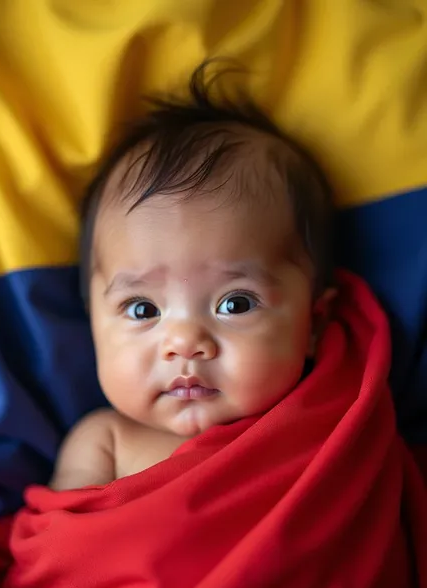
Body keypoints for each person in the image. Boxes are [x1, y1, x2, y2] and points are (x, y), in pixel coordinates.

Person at [50, 62, 337, 491]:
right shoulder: (104, 442)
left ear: (313, 322)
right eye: (142, 308)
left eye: (235, 303)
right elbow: (57, 551)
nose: (183, 342)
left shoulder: (333, 426)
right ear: (92, 322)